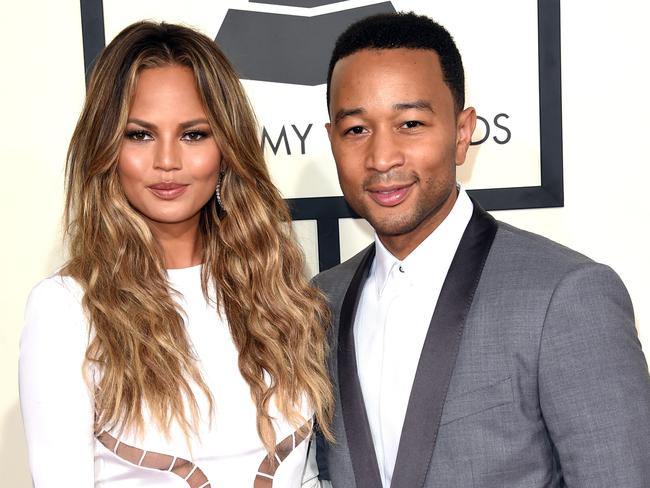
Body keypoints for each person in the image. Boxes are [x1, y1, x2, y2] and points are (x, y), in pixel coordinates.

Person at [314, 12, 650, 488]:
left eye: (410, 123)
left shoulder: (566, 296)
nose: (382, 157)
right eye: (356, 130)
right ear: (332, 140)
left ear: (462, 132)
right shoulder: (318, 302)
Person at [19, 21, 333, 487]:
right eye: (140, 135)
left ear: (227, 148)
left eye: (194, 134)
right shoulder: (68, 309)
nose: (167, 160)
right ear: (107, 148)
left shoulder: (279, 290)